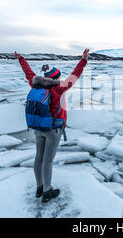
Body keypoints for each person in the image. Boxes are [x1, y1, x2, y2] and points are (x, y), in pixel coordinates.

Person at [15, 49, 90, 202]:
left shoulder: (35, 85)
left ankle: (39, 187)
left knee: (38, 158)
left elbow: (29, 73)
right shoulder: (58, 88)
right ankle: (47, 191)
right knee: (48, 160)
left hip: (38, 129)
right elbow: (75, 76)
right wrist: (83, 60)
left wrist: (21, 59)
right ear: (56, 78)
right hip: (53, 129)